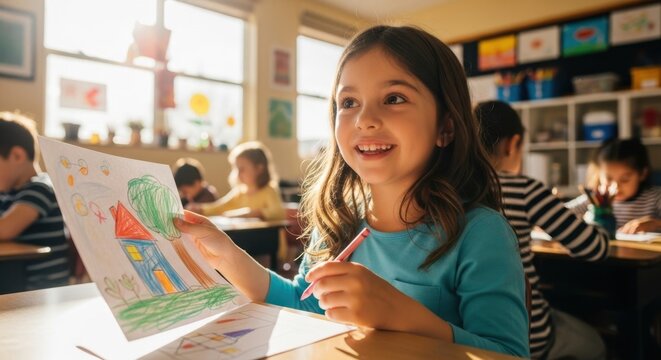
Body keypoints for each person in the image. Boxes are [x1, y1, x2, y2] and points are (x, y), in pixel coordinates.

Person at [174, 25, 529, 357]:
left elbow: (507, 353)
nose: (364, 119)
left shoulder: (480, 233)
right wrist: (228, 256)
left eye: (393, 98)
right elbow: (304, 302)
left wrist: (404, 317)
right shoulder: (339, 220)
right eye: (348, 103)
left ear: (446, 127)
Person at [475, 100, 609, 359]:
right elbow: (595, 248)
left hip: (468, 336)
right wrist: (602, 218)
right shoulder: (524, 189)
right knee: (594, 342)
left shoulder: (450, 190)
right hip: (526, 335)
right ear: (513, 144)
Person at [0, 112, 70, 290]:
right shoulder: (8, 192)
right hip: (15, 278)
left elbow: (5, 229)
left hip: (39, 288)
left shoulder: (40, 188)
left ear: (17, 156)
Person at [567, 138, 661, 234]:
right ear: (599, 175)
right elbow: (559, 215)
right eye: (608, 179)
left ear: (642, 174)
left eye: (624, 180)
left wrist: (656, 223)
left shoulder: (656, 198)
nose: (615, 187)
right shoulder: (595, 200)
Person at [188, 141, 285, 221]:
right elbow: (220, 207)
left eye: (242, 169)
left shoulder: (269, 191)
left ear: (259, 169)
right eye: (236, 169)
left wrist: (253, 213)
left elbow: (278, 213)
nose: (238, 174)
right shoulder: (239, 192)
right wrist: (200, 209)